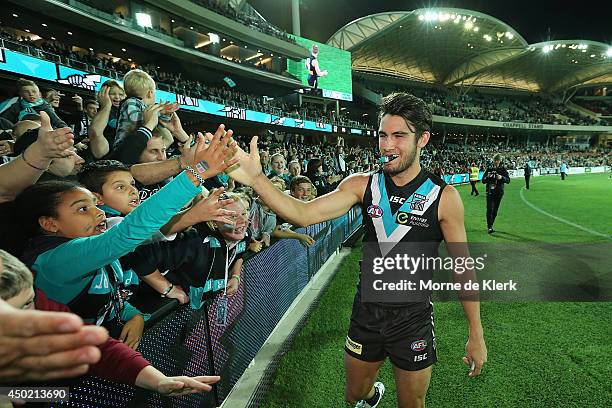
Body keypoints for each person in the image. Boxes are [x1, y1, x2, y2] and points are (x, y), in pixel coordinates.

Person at [228, 92, 487, 408]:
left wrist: (476, 332)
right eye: (383, 135)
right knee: (354, 395)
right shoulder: (361, 185)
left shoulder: (444, 197)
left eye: (399, 136)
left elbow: (463, 267)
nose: (387, 145)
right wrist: (256, 179)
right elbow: (303, 214)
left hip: (412, 318)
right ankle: (371, 396)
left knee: (412, 404)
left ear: (423, 139)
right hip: (367, 313)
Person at [14, 132, 236, 342]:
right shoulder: (54, 261)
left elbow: (110, 294)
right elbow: (128, 233)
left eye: (94, 205)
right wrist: (196, 173)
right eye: (83, 209)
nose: (99, 212)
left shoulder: (89, 247)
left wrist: (134, 315)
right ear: (49, 223)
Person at [0, 249, 220, 395]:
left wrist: (158, 381)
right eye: (8, 313)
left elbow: (97, 347)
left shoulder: (42, 304)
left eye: (28, 303)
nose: (26, 318)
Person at [481, 154, 510, 234]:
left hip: (499, 192)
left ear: (500, 161)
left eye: (497, 160)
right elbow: (483, 180)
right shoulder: (489, 169)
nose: (496, 162)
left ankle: (491, 224)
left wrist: (501, 178)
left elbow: (508, 180)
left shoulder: (503, 169)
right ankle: (489, 227)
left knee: (495, 210)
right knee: (489, 209)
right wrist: (487, 177)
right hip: (490, 191)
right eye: (494, 160)